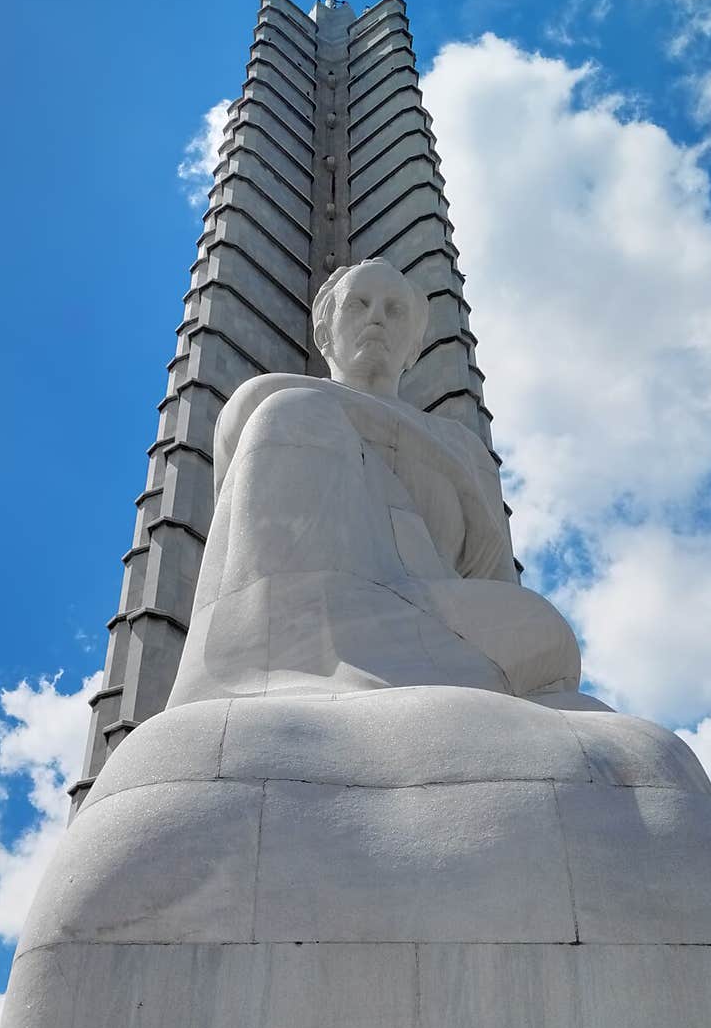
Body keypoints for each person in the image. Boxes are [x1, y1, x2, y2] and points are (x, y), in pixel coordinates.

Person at [167, 259, 580, 708]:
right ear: (324, 334)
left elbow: (496, 585)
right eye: (358, 305)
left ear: (415, 347)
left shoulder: (464, 450)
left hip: (436, 615)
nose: (377, 318)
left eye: (394, 309)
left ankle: (412, 680)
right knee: (289, 412)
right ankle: (313, 675)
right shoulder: (279, 402)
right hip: (304, 622)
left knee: (545, 629)